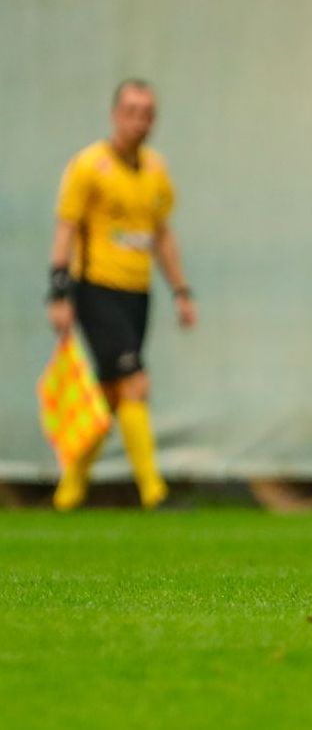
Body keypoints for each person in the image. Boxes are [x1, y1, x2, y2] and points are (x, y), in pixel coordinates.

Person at [47, 79, 196, 511]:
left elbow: (162, 235)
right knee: (135, 383)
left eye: (147, 112)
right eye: (131, 111)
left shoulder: (156, 170)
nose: (139, 120)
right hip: (96, 290)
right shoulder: (89, 166)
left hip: (138, 293)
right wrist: (58, 292)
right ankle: (154, 492)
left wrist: (181, 290)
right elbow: (66, 228)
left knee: (113, 397)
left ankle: (69, 491)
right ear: (115, 115)